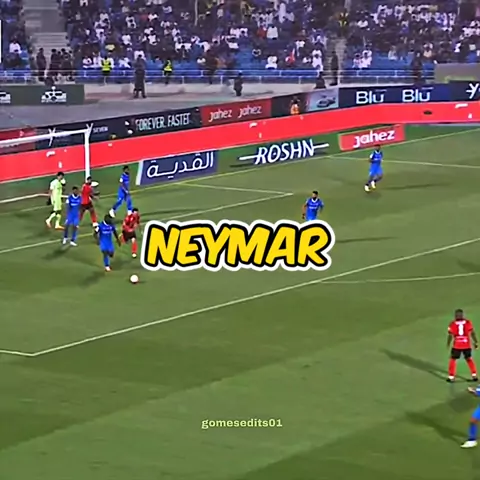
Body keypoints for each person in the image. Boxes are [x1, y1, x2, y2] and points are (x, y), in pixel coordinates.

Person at [447, 309, 478, 383]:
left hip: (457, 345)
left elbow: (450, 335)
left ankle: (451, 377)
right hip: (466, 345)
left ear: (456, 316)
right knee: (469, 359)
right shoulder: (468, 323)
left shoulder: (452, 324)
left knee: (453, 359)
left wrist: (448, 343)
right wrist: (476, 342)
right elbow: (472, 333)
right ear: (463, 315)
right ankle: (474, 375)